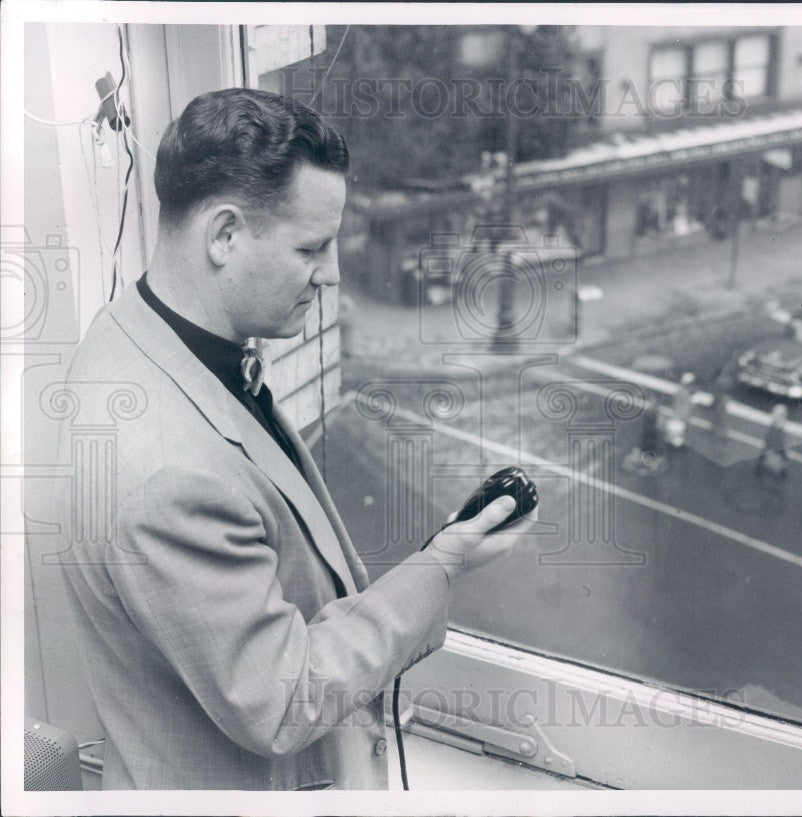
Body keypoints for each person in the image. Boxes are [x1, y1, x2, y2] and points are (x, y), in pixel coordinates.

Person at [54, 88, 533, 790]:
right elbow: (282, 696)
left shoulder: (137, 334)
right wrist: (443, 565)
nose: (333, 273)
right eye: (312, 246)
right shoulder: (168, 478)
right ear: (224, 235)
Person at [756, 403, 789, 479]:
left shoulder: (775, 429)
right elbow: (775, 443)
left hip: (772, 452)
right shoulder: (776, 430)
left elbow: (769, 442)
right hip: (773, 452)